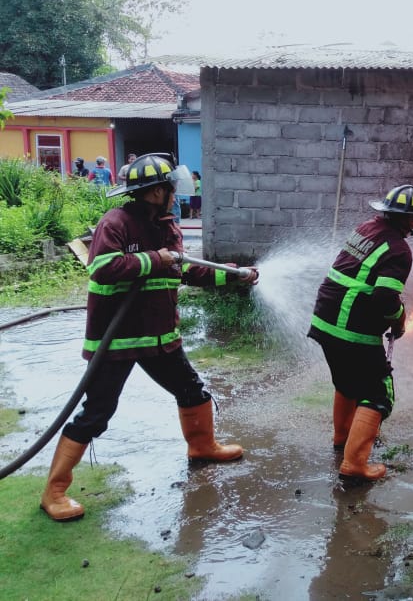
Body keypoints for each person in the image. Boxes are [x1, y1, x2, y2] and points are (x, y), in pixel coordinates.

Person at [39, 153, 259, 522]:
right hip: (116, 341)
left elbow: (183, 269)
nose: (176, 195)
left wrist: (233, 276)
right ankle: (54, 492)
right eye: (171, 188)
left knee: (192, 391)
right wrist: (156, 258)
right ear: (157, 192)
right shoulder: (116, 222)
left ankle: (202, 447)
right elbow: (103, 268)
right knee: (97, 413)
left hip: (159, 338)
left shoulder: (166, 225)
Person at [307, 183, 413, 483]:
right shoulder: (399, 249)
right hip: (351, 329)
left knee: (347, 384)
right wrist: (399, 319)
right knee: (378, 393)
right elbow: (385, 298)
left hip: (326, 321)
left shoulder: (366, 228)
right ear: (410, 219)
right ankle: (355, 465)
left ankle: (342, 438)